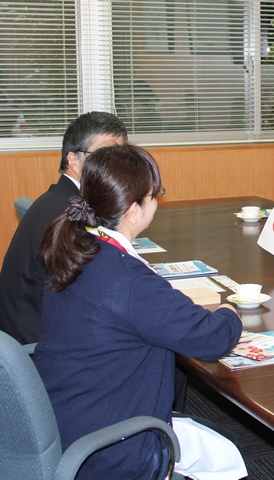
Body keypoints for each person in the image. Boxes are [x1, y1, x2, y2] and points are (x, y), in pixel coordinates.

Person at [34, 144, 247, 479]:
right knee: (228, 458)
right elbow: (212, 339)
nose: (158, 201)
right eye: (155, 194)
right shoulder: (128, 280)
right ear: (133, 212)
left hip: (66, 421)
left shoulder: (78, 251)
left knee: (213, 438)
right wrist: (230, 312)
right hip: (112, 448)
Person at [0, 111, 127, 344]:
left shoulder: (60, 198)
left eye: (121, 156)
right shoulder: (72, 215)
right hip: (38, 342)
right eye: (104, 154)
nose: (115, 165)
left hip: (25, 329)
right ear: (73, 160)